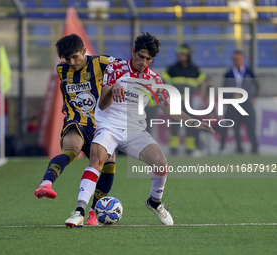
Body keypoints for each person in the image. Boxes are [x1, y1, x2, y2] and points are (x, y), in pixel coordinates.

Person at [64, 32, 215, 227]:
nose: (143, 62)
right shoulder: (115, 68)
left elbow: (169, 109)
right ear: (133, 52)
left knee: (161, 163)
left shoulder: (154, 79)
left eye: (148, 59)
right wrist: (112, 88)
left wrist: (194, 121)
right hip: (108, 125)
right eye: (141, 56)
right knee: (96, 160)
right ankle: (79, 211)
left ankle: (154, 202)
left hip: (134, 129)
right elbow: (102, 104)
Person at [33, 34, 119, 225]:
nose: (72, 62)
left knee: (109, 164)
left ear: (83, 51)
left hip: (101, 124)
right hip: (76, 120)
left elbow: (124, 68)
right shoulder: (61, 69)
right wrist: (66, 103)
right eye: (67, 58)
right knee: (71, 149)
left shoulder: (100, 62)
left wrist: (118, 84)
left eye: (75, 57)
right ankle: (46, 184)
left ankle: (94, 213)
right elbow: (67, 89)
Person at [162, 44, 206, 155]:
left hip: (189, 102)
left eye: (182, 54)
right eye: (178, 54)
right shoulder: (172, 69)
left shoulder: (194, 69)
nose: (180, 56)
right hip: (176, 102)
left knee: (190, 126)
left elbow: (202, 80)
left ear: (188, 55)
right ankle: (173, 149)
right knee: (175, 126)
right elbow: (164, 81)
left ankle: (189, 149)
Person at [220, 50, 259, 154]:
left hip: (246, 103)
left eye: (239, 59)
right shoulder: (228, 73)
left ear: (243, 59)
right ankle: (239, 148)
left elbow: (257, 85)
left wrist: (254, 96)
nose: (237, 61)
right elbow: (223, 88)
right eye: (235, 59)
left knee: (250, 125)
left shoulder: (249, 72)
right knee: (235, 127)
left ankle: (254, 148)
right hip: (233, 103)